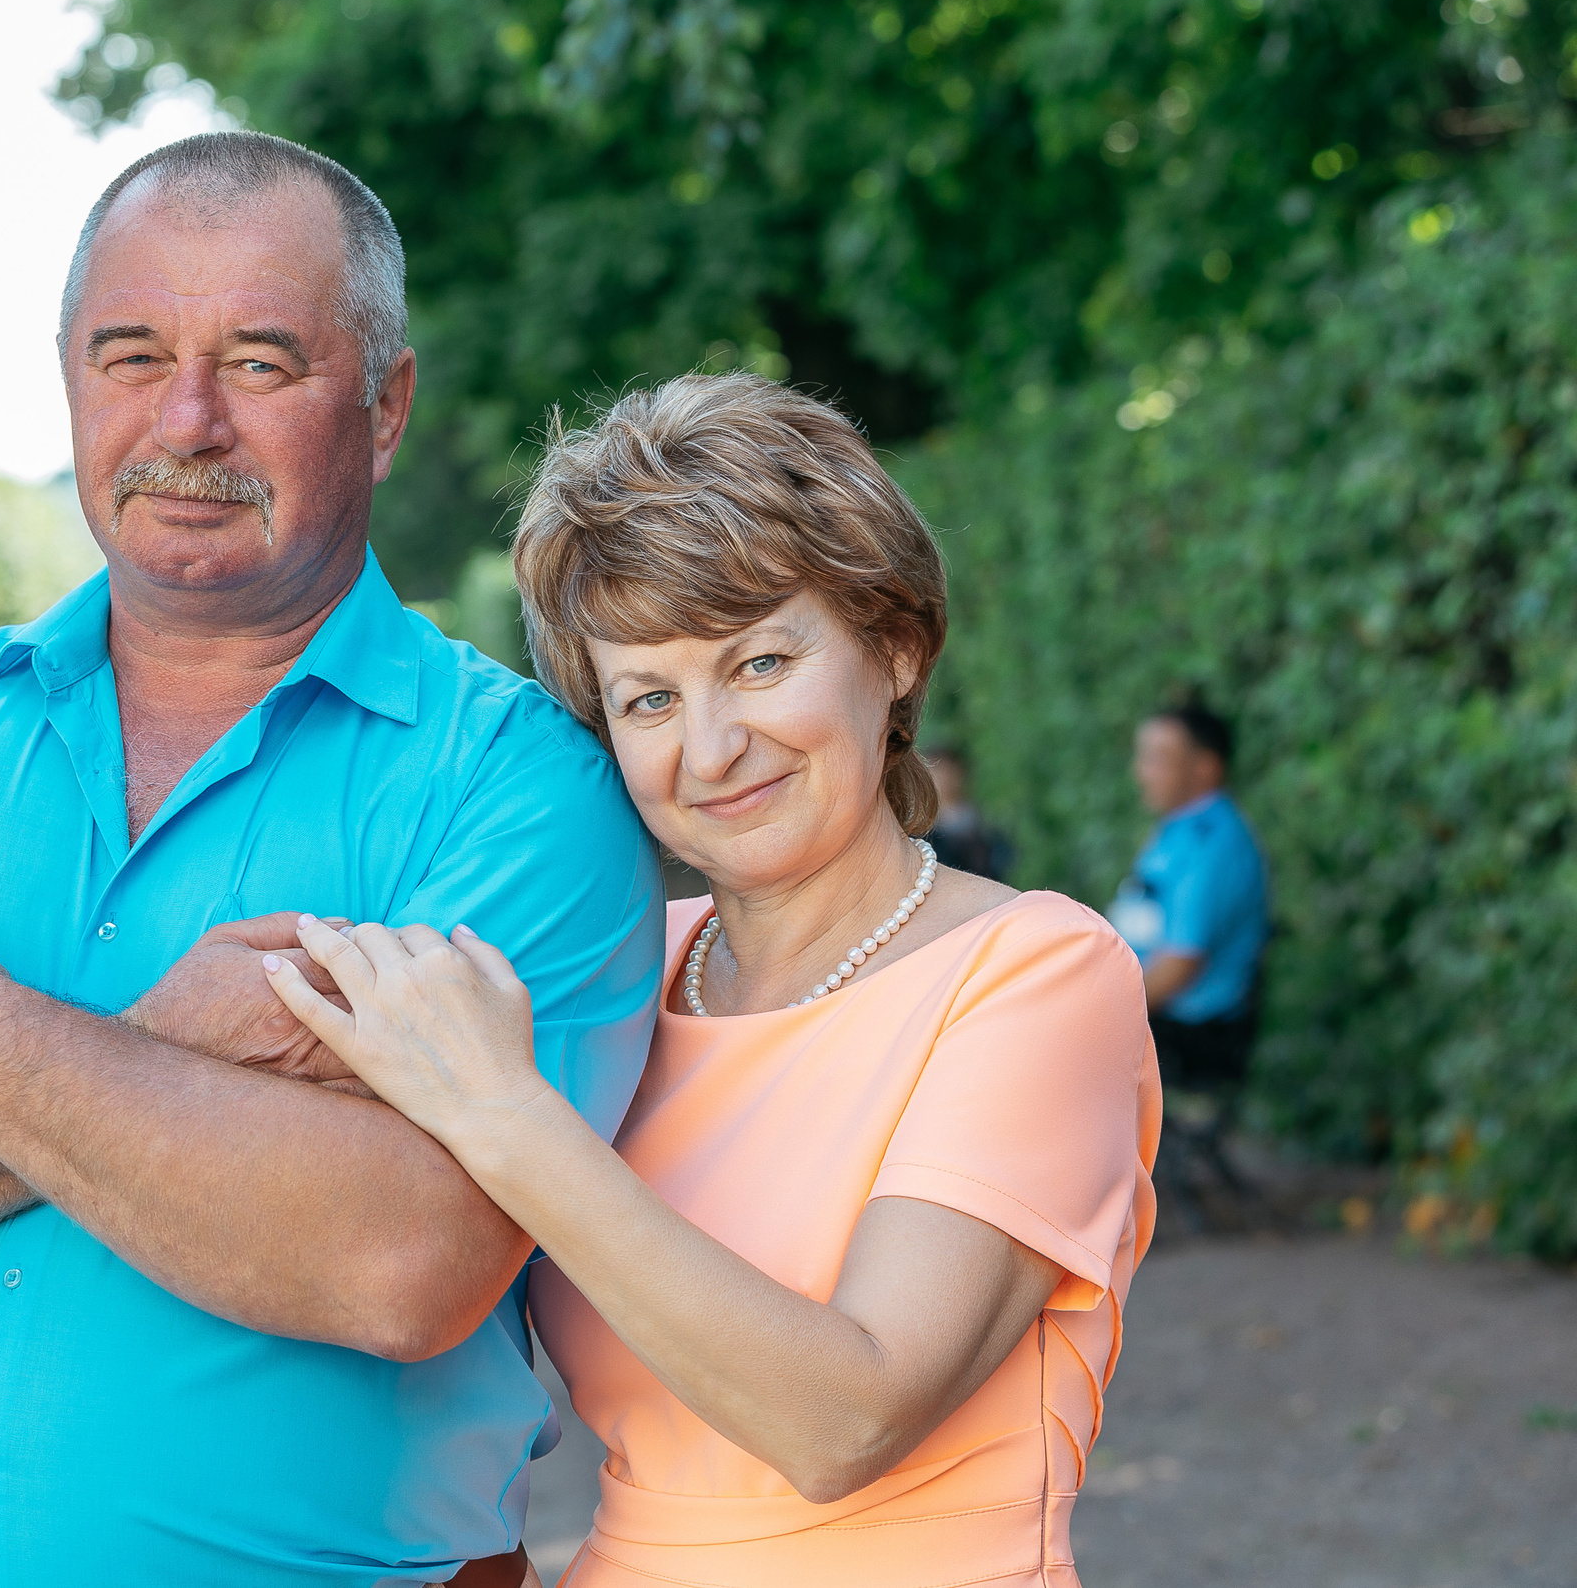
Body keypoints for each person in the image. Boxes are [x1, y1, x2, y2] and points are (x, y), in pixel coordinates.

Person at [0, 132, 663, 1587]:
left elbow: (405, 1255)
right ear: (68, 377)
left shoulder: (515, 787)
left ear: (385, 404)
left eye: (260, 361)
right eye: (132, 354)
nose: (187, 420)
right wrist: (168, 1042)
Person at [261, 372, 1159, 1588]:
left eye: (758, 663)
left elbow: (845, 1421)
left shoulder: (1036, 975)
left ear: (893, 648)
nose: (711, 747)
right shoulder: (629, 973)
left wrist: (506, 1115)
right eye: (648, 697)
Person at [1111, 703, 1269, 1088]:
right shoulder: (1181, 828)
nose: (1141, 773)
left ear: (1205, 767)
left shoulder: (1212, 844)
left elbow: (1181, 963)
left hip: (1191, 1030)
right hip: (1160, 1016)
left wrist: (1104, 1013)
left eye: (1158, 759)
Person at [923, 743, 1012, 880]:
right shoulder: (921, 829)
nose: (944, 778)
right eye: (937, 771)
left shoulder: (985, 822)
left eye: (949, 771)